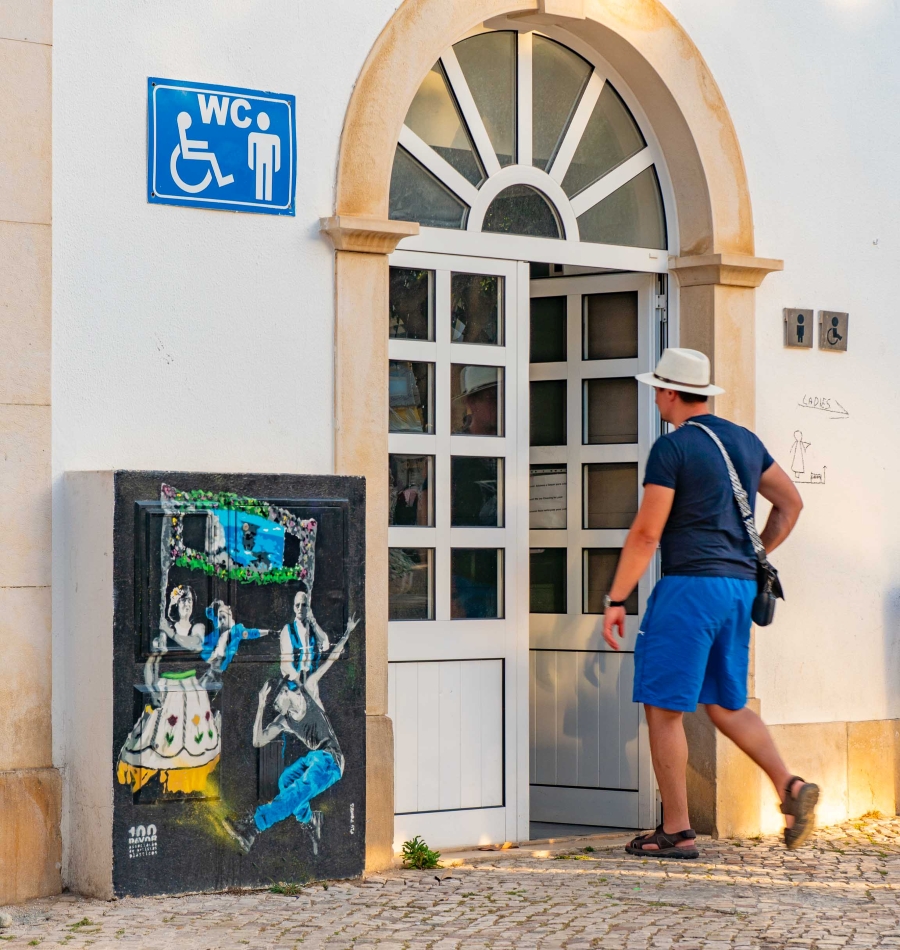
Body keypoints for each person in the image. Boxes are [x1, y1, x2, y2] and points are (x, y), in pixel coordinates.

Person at [602, 347, 818, 857]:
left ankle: (676, 831)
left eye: (658, 388)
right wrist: (756, 550)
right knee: (726, 703)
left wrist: (616, 597)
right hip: (739, 588)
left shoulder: (672, 449)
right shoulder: (744, 441)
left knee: (663, 708)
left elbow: (647, 532)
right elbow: (791, 502)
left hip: (690, 588)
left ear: (671, 391)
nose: (655, 396)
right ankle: (789, 787)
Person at [223, 616, 359, 854]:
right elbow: (258, 740)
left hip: (331, 761)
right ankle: (309, 820)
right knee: (286, 780)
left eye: (276, 703)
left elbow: (330, 660)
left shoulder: (309, 691)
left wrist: (346, 633)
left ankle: (253, 827)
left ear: (286, 691)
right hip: (315, 757)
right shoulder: (283, 721)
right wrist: (261, 705)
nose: (276, 709)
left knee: (298, 790)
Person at [280, 589, 337, 686]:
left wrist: (313, 622)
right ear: (294, 608)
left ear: (308, 608)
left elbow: (325, 644)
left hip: (312, 683)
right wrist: (298, 681)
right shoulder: (288, 630)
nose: (300, 608)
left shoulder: (313, 630)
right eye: (297, 605)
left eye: (304, 605)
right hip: (294, 685)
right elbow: (286, 662)